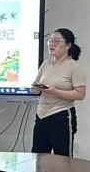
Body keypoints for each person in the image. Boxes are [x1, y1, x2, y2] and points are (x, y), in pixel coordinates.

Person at [30, 28, 85, 156]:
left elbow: (80, 94)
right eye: (50, 41)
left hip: (61, 115)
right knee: (38, 157)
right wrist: (36, 88)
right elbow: (35, 87)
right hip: (41, 115)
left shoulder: (74, 67)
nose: (52, 44)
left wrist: (55, 91)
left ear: (68, 45)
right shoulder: (45, 64)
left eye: (57, 41)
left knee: (63, 159)